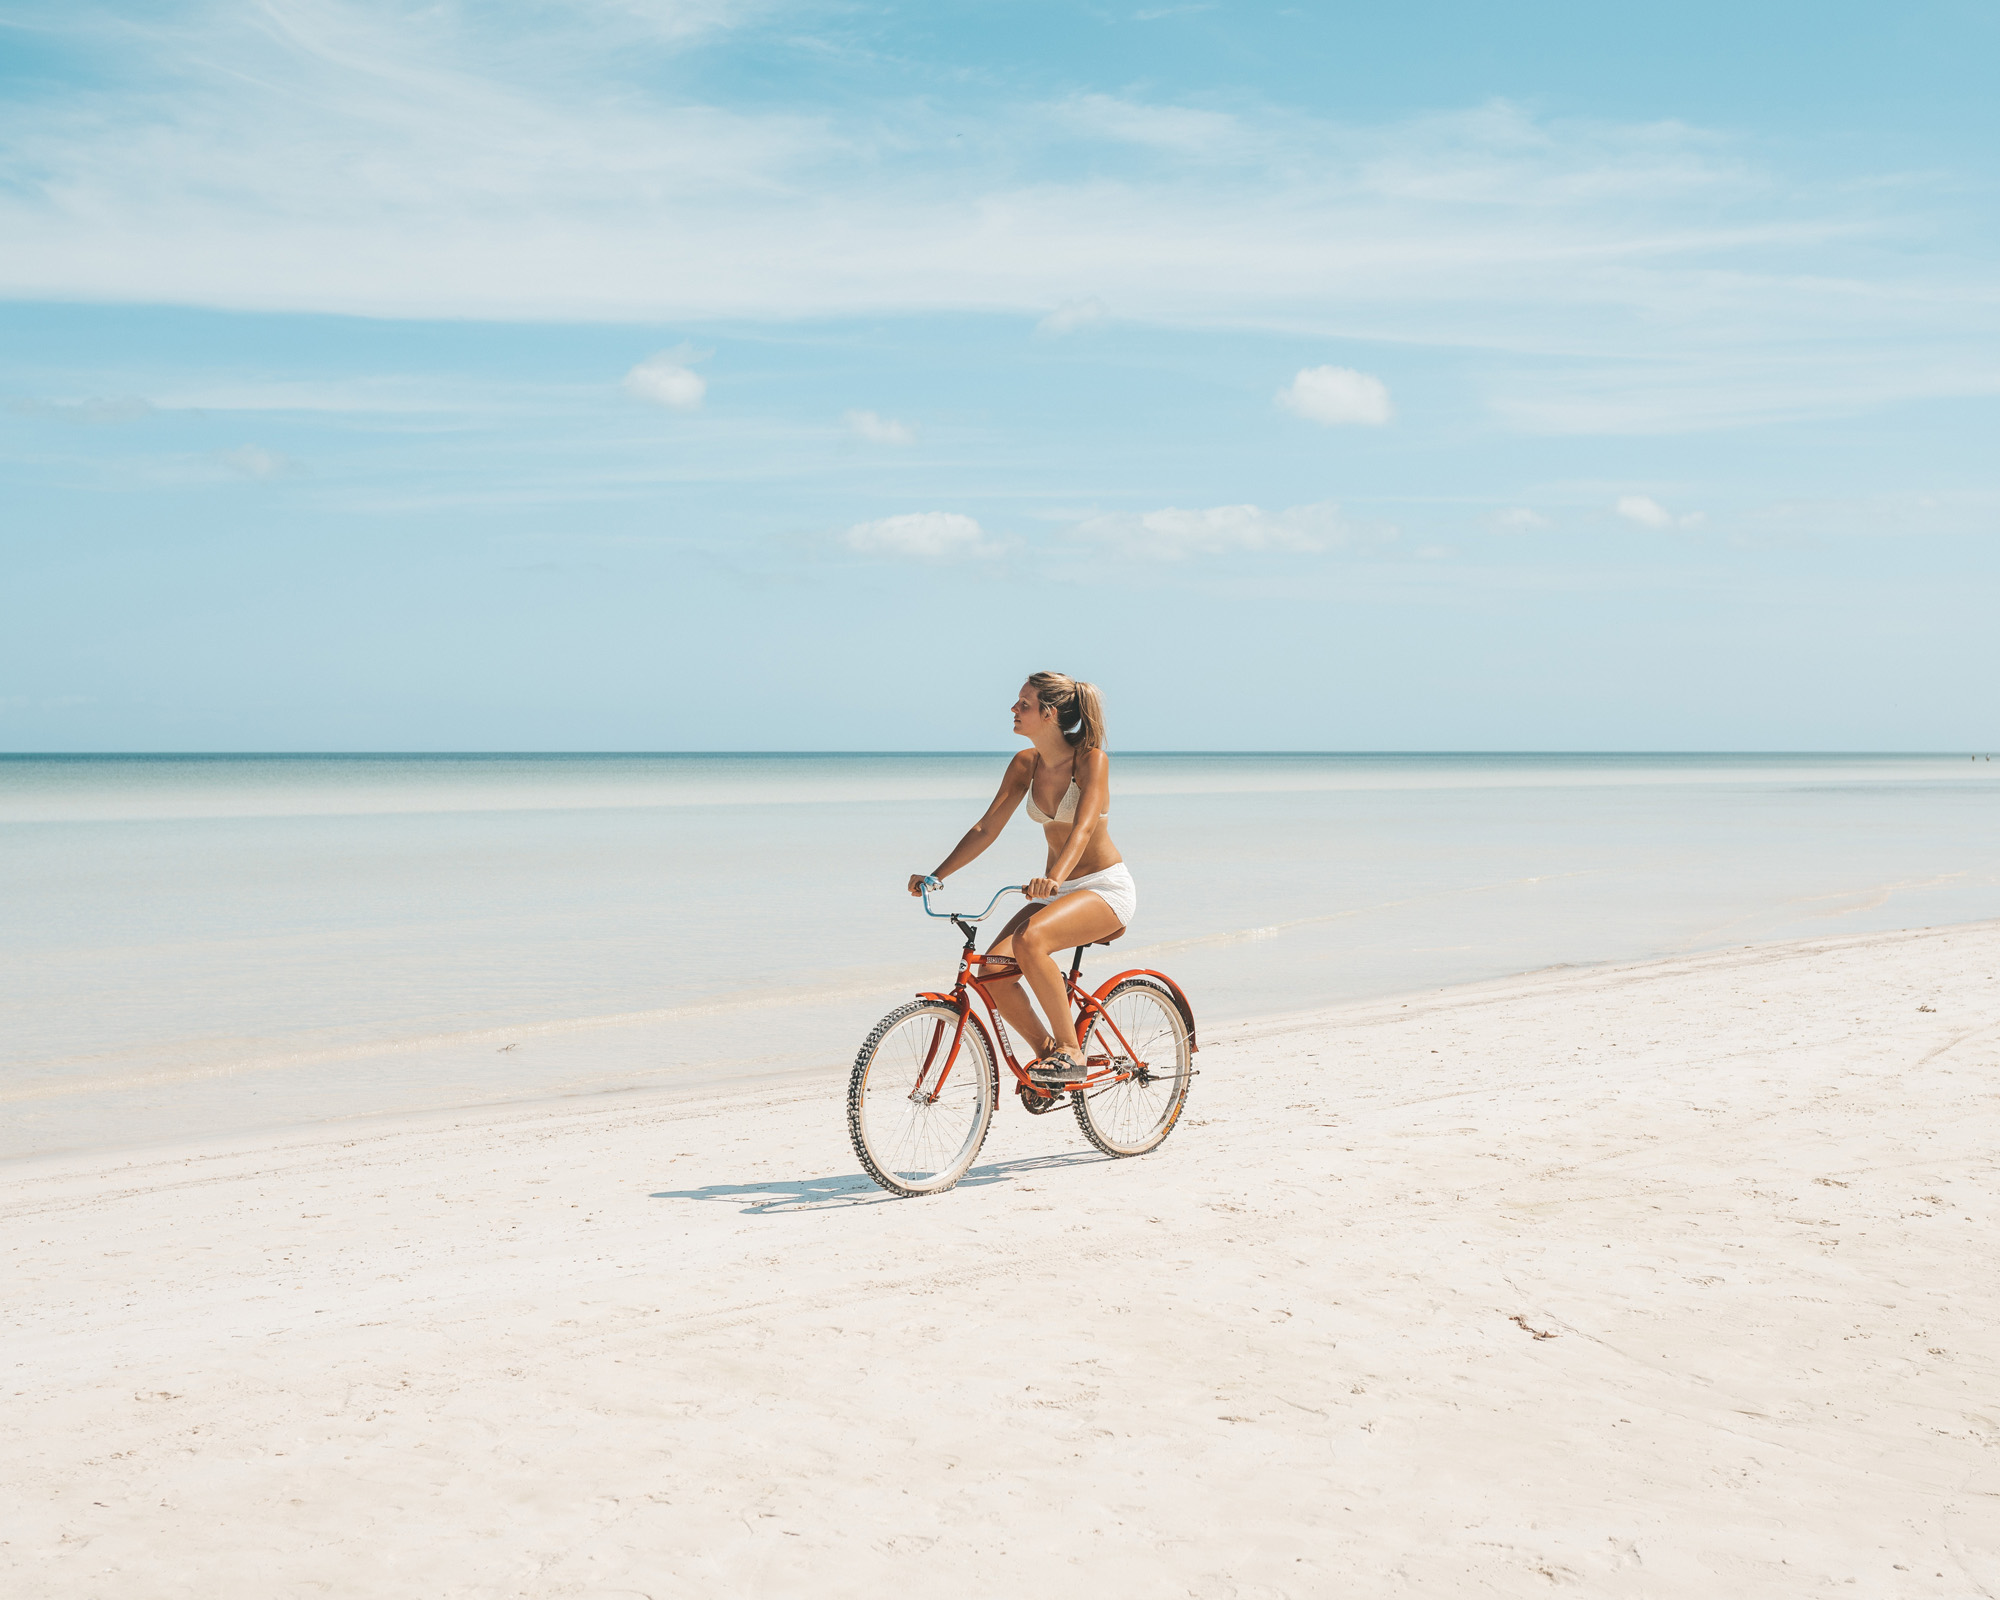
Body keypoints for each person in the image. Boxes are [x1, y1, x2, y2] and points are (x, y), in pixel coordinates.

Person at [907, 671, 1136, 1087]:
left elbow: (1083, 829)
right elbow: (986, 828)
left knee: (1030, 941)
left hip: (1103, 888)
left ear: (1049, 714)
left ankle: (1071, 1052)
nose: (1014, 709)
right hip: (1057, 891)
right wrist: (936, 876)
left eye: (1024, 704)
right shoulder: (1025, 764)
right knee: (992, 972)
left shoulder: (1090, 760)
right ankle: (1048, 1058)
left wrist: (1052, 877)